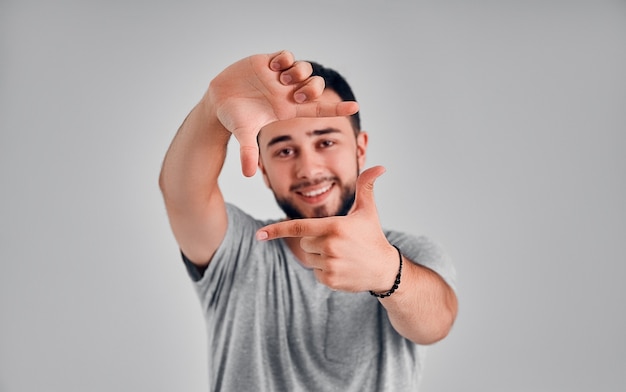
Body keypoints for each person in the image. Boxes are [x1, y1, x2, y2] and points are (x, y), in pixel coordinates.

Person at [159, 50, 458, 391]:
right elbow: (181, 195)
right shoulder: (241, 249)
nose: (309, 170)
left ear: (360, 148)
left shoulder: (409, 252)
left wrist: (388, 272)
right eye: (284, 151)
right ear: (264, 170)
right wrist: (212, 108)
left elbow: (438, 322)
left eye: (326, 142)